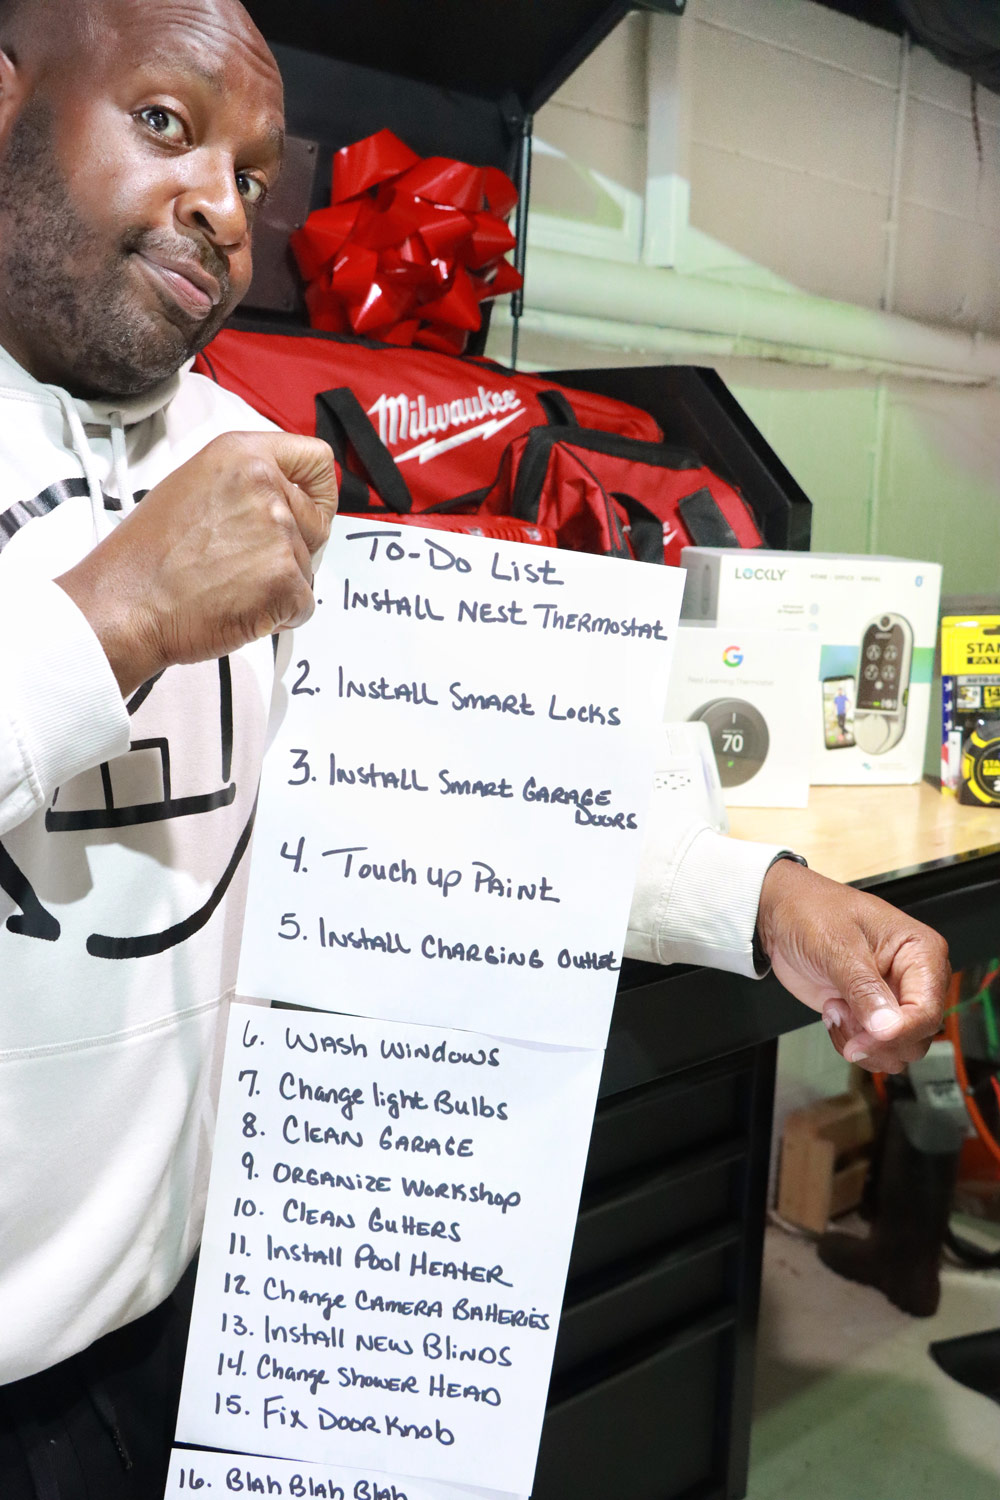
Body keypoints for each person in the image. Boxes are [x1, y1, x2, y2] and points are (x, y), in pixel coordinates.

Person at [0, 0, 949, 1494]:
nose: (222, 212)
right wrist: (117, 615)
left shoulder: (250, 455)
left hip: (195, 1344)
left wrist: (766, 899)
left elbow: (474, 790)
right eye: (167, 125)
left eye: (255, 176)